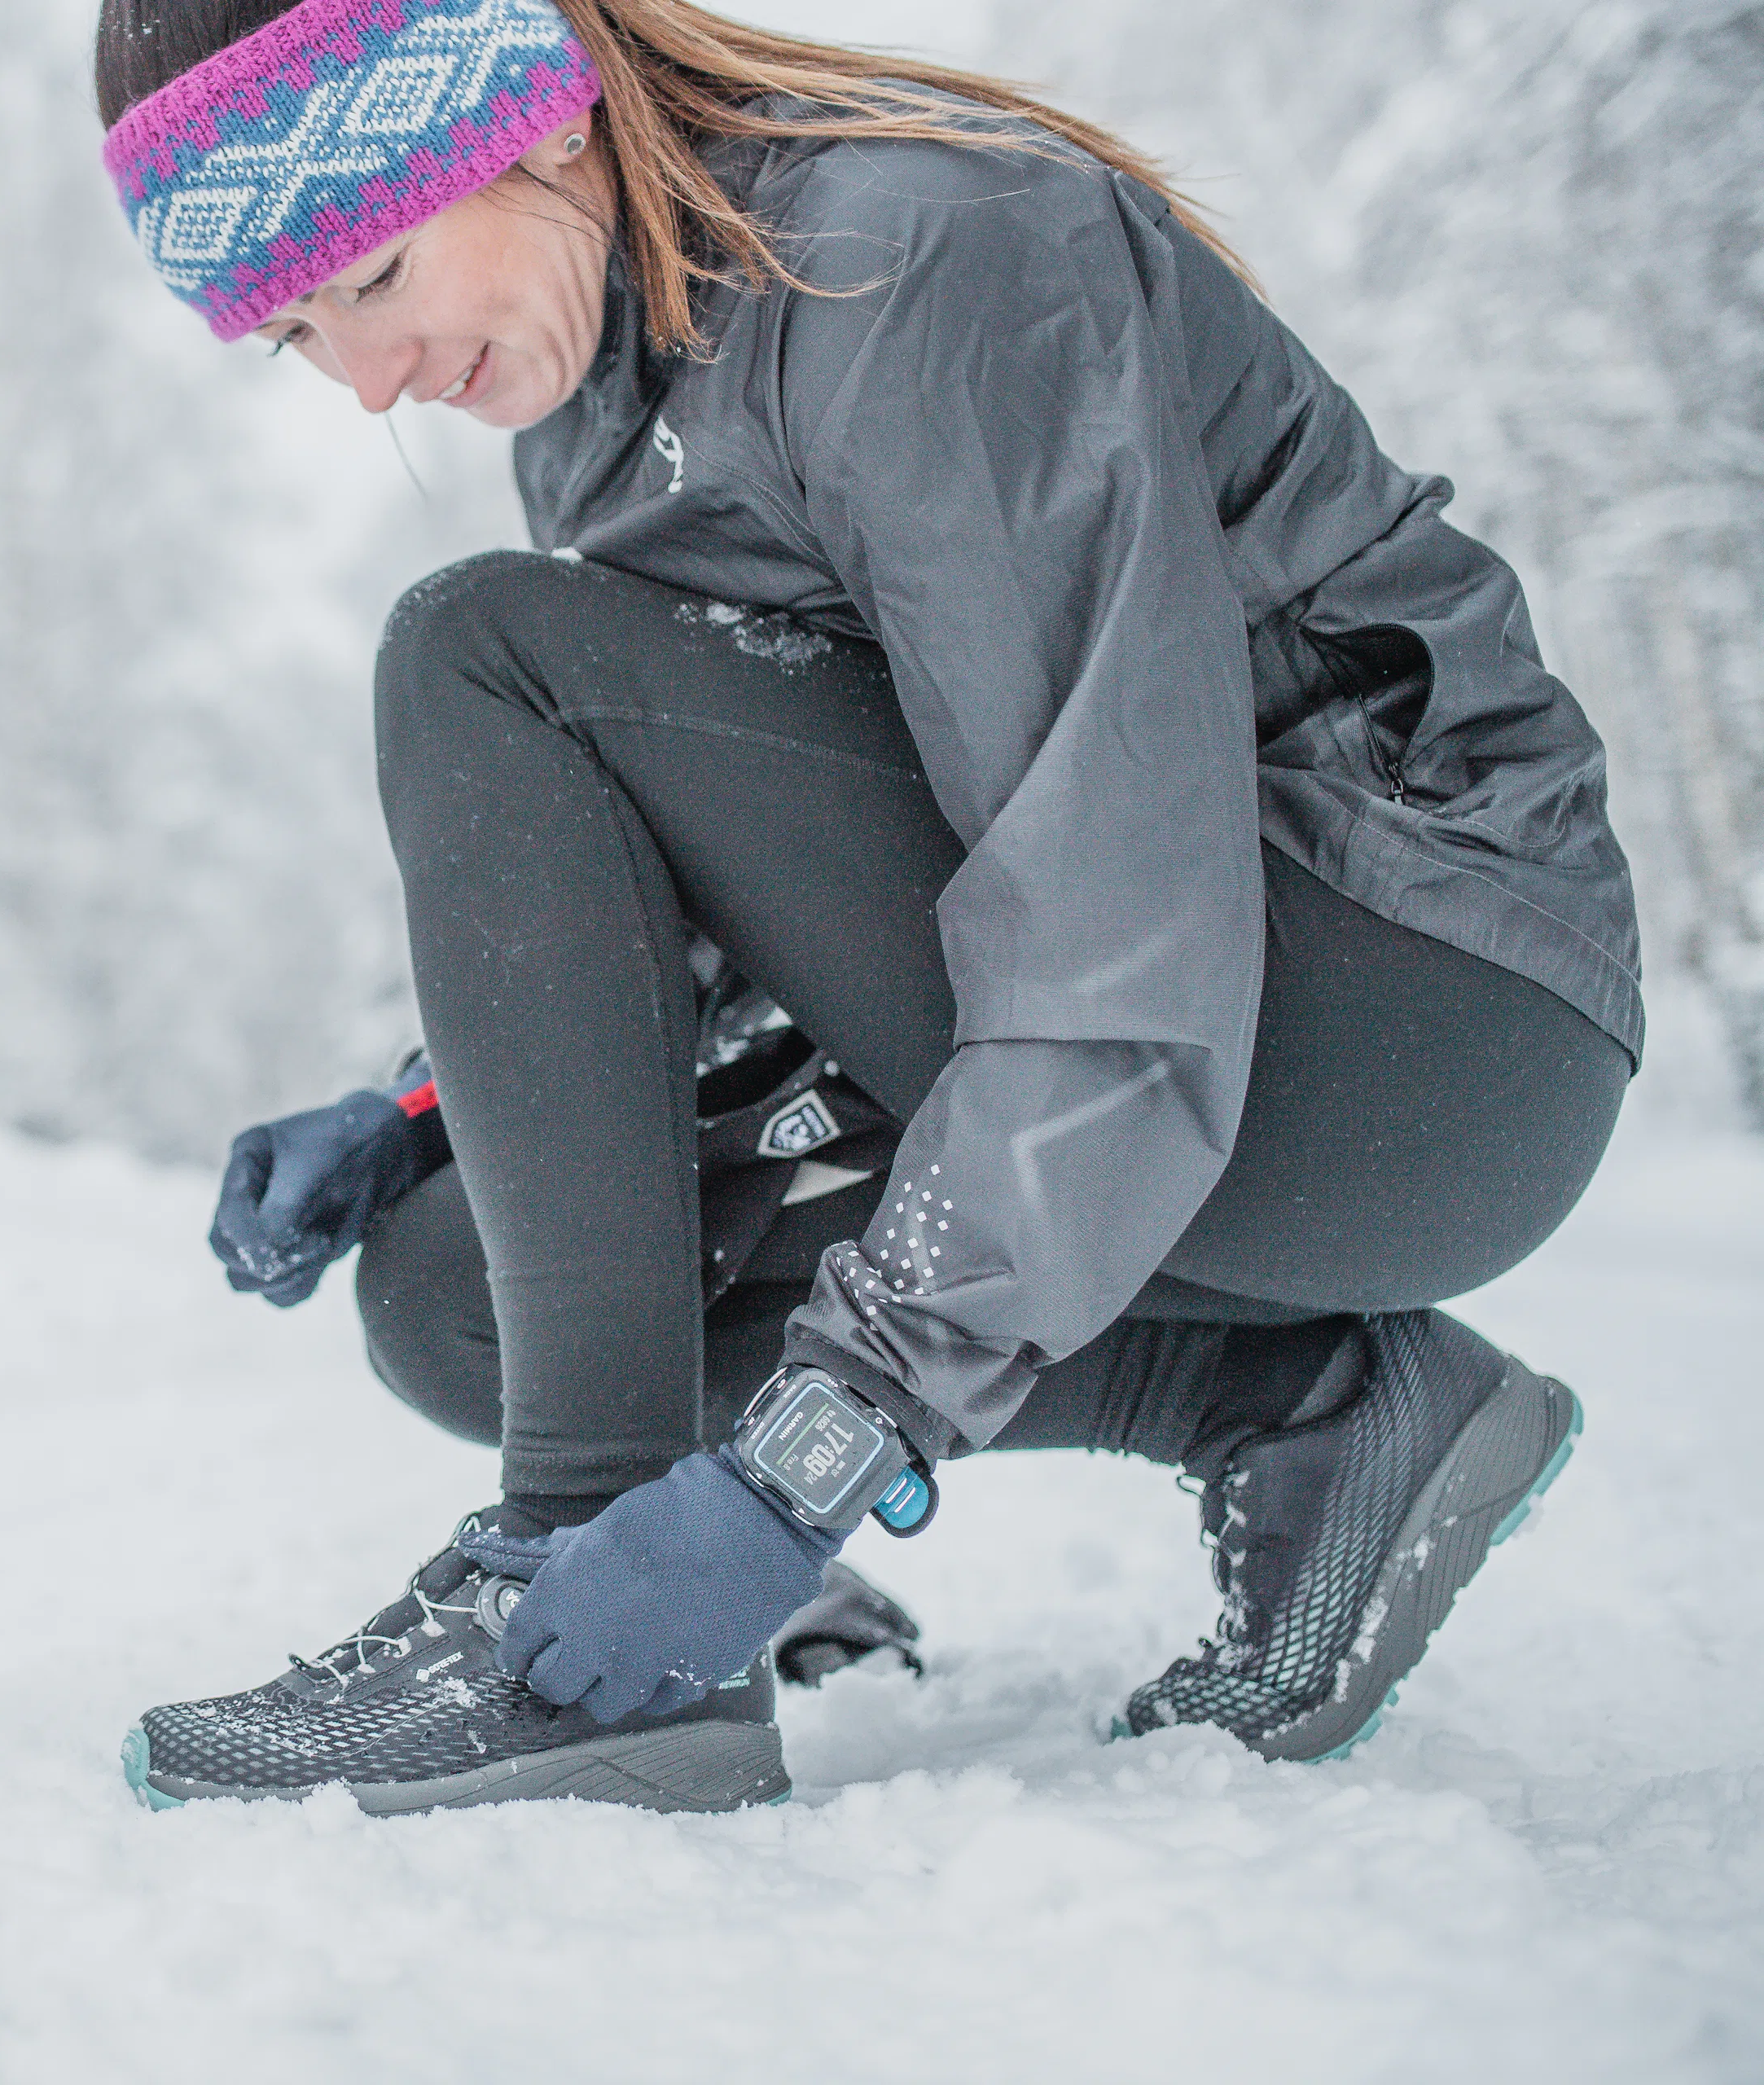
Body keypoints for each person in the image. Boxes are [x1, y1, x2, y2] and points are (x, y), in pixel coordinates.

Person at [96, 0, 1642, 1815]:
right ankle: (1311, 1407)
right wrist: (431, 1101)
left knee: (476, 650)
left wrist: (803, 1468)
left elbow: (1107, 921)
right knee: (461, 1294)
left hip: (1426, 999)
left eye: (369, 275)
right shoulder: (599, 407)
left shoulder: (917, 263)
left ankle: (573, 1594)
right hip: (1214, 1007)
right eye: (292, 334)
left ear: (516, 113)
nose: (360, 382)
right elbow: (787, 855)